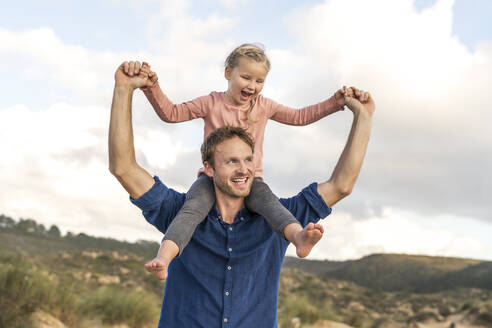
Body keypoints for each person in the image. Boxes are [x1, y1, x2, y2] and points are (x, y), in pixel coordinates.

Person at [108, 60, 375, 327]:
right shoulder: (179, 211)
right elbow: (124, 168)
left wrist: (363, 116)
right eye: (232, 161)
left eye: (248, 160)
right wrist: (124, 89)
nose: (244, 169)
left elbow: (341, 185)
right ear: (209, 169)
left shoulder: (278, 218)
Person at [122, 44, 352, 280]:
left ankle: (299, 238)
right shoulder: (211, 103)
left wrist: (334, 103)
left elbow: (300, 117)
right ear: (228, 73)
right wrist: (152, 87)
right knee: (192, 209)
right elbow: (170, 113)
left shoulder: (264, 106)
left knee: (270, 205)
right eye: (246, 77)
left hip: (252, 181)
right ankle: (164, 257)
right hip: (211, 180)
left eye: (259, 81)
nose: (252, 86)